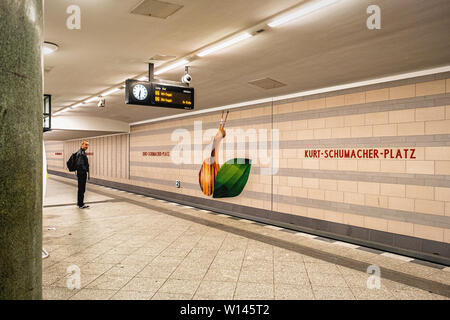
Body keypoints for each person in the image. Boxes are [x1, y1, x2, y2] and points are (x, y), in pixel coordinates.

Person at [76, 140, 90, 209]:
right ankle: (80, 204)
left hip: (81, 173)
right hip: (81, 174)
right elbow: (80, 164)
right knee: (81, 189)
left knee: (81, 189)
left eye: (87, 145)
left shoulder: (81, 152)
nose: (87, 146)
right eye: (86, 145)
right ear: (82, 145)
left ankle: (80, 202)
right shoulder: (81, 153)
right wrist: (85, 170)